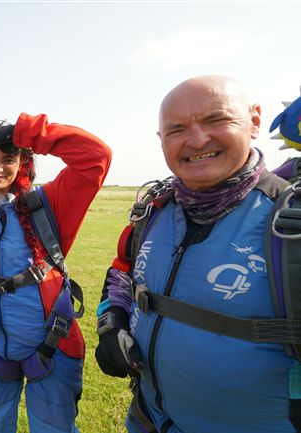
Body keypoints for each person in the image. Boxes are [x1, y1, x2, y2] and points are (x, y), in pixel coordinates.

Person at [95, 75, 300, 433]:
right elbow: (121, 275)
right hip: (148, 419)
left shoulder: (290, 225)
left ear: (254, 121)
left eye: (216, 119)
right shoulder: (152, 212)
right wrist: (111, 323)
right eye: (176, 129)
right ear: (161, 138)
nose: (196, 139)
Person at [0, 113, 112, 433]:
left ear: (23, 162)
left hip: (52, 346)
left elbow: (95, 157)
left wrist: (25, 133)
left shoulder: (49, 205)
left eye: (8, 158)